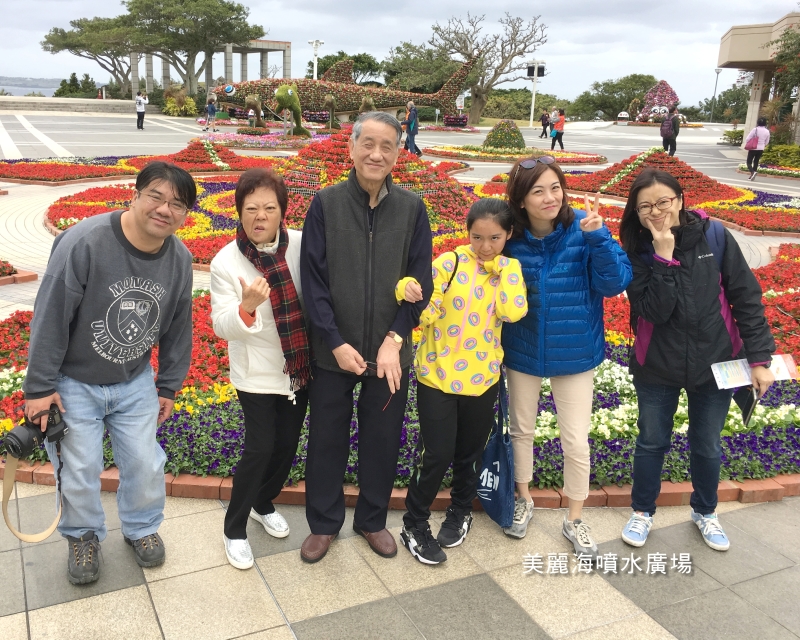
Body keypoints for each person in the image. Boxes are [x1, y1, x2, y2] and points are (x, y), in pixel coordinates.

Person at [22, 162, 196, 585]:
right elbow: (51, 316)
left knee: (145, 463)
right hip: (73, 382)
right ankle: (82, 535)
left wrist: (169, 385)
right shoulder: (85, 242)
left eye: (177, 204)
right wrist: (40, 388)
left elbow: (178, 326)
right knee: (78, 469)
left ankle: (141, 527)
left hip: (133, 380)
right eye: (156, 196)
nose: (165, 209)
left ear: (185, 214)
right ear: (134, 195)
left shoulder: (179, 259)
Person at [299, 111, 433, 563]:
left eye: (387, 146)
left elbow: (421, 280)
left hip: (389, 355)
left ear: (398, 153)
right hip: (333, 351)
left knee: (382, 438)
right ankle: (323, 524)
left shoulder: (412, 208)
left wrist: (395, 338)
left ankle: (372, 520)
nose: (377, 154)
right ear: (352, 148)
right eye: (368, 144)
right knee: (326, 439)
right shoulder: (326, 203)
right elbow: (314, 281)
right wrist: (335, 341)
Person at [618, 168, 775, 552]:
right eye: (645, 207)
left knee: (706, 444)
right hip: (657, 364)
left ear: (680, 200)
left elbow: (745, 296)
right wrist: (663, 257)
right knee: (652, 441)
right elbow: (653, 312)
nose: (656, 212)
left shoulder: (715, 236)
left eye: (663, 202)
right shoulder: (636, 250)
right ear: (636, 213)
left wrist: (759, 359)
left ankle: (705, 511)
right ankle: (642, 511)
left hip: (716, 363)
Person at [501, 156, 632, 558]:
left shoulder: (584, 229)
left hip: (575, 352)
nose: (550, 197)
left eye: (555, 187)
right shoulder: (510, 239)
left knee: (574, 439)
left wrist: (599, 238)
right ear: (520, 200)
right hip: (523, 350)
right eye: (537, 190)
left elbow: (615, 282)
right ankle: (523, 498)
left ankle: (575, 518)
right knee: (521, 430)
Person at [397, 199, 528, 565]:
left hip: (482, 380)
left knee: (469, 454)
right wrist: (412, 293)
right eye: (477, 237)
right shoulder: (449, 263)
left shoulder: (509, 269)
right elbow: (423, 313)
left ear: (508, 234)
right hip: (437, 377)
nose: (485, 246)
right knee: (435, 455)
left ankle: (460, 511)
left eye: (495, 238)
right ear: (467, 232)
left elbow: (513, 311)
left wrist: (504, 271)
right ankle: (414, 523)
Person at [210, 168, 310, 570]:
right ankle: (234, 528)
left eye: (269, 208)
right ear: (239, 211)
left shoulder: (301, 244)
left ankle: (263, 502)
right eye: (251, 208)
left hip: (298, 367)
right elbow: (221, 325)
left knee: (287, 445)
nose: (260, 217)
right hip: (255, 374)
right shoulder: (226, 261)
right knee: (260, 447)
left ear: (282, 211)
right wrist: (246, 307)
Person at [744, 117, 770, 181]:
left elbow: (748, 138)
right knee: (756, 161)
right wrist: (763, 145)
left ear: (758, 122)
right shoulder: (767, 131)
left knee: (749, 162)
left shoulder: (755, 129)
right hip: (761, 148)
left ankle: (752, 172)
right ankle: (752, 175)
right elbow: (767, 141)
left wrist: (748, 143)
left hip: (753, 147)